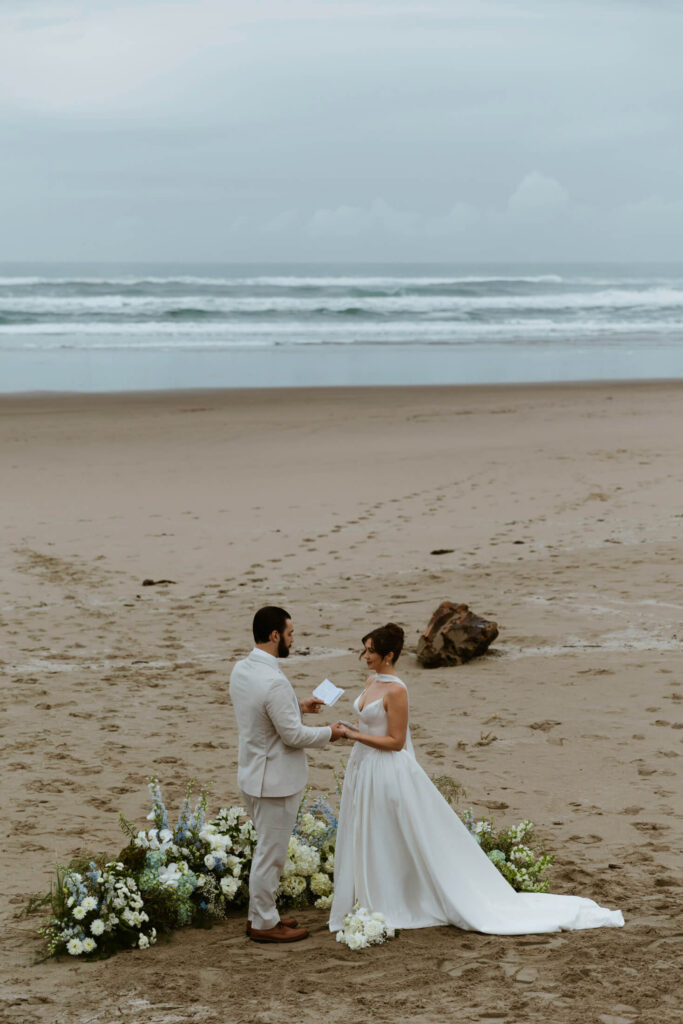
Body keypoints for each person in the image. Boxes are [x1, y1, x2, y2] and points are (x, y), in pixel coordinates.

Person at [329, 622, 624, 935]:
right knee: (369, 829)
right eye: (365, 649)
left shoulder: (397, 690)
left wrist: (353, 736)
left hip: (385, 771)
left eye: (371, 651)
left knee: (387, 832)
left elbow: (396, 742)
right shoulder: (371, 680)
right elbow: (371, 727)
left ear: (389, 654)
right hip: (363, 767)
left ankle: (396, 898)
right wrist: (353, 730)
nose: (365, 656)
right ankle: (373, 892)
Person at [230, 605, 344, 944]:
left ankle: (260, 915)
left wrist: (297, 705)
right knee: (271, 855)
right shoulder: (274, 681)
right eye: (290, 634)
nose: (293, 640)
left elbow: (261, 712)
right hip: (275, 782)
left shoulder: (242, 670)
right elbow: (293, 736)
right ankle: (265, 923)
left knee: (266, 850)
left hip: (251, 774)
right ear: (275, 635)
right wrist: (330, 732)